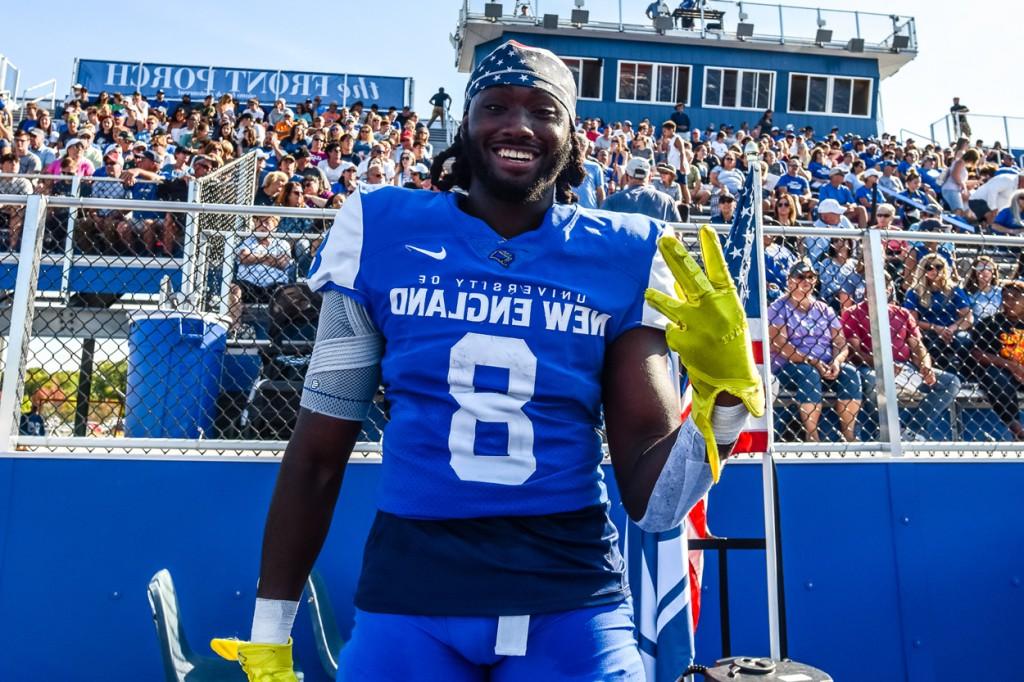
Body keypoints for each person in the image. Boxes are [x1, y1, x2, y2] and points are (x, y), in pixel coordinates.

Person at [211, 40, 763, 681]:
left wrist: (721, 407)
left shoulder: (625, 252)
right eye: (496, 105)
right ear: (466, 123)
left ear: (570, 134)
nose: (518, 125)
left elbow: (658, 506)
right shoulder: (381, 228)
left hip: (569, 598)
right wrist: (270, 633)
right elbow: (316, 451)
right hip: (412, 595)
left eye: (543, 110)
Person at [842, 273, 961, 441]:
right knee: (871, 382)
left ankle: (911, 431)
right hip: (870, 367)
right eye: (870, 287)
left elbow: (918, 346)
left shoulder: (903, 313)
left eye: (880, 287)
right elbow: (854, 352)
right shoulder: (852, 313)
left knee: (951, 382)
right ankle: (885, 431)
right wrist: (882, 365)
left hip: (903, 367)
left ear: (889, 289)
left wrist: (925, 365)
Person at [769, 260, 861, 442]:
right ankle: (812, 435)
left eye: (810, 277)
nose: (806, 281)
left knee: (851, 373)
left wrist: (837, 361)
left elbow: (840, 341)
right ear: (789, 281)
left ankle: (849, 433)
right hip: (792, 365)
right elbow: (779, 344)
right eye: (800, 277)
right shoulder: (777, 308)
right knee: (808, 374)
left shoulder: (824, 308)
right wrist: (813, 361)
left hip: (826, 363)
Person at [902, 253, 973, 374]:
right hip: (927, 330)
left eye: (938, 266)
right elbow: (912, 321)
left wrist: (952, 328)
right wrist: (935, 328)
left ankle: (966, 373)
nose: (934, 270)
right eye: (929, 267)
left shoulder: (954, 290)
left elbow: (968, 317)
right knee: (933, 344)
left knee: (964, 340)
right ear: (922, 270)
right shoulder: (914, 292)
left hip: (953, 329)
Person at [970, 281, 1024, 439]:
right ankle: (1016, 427)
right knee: (995, 377)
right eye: (1006, 298)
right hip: (1003, 372)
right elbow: (977, 354)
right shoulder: (990, 324)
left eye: (1016, 298)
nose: (1010, 302)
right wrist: (1012, 366)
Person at [227, 214, 292, 329]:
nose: (263, 225)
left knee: (285, 293)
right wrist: (270, 258)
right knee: (233, 288)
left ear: (275, 227)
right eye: (259, 222)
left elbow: (282, 262)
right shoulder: (247, 241)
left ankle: (277, 334)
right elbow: (243, 257)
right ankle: (235, 330)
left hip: (275, 287)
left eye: (267, 222)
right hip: (249, 286)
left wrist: (255, 257)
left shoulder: (283, 243)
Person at [601, 157, 681, 222]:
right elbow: (678, 232)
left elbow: (601, 231)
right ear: (650, 177)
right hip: (656, 242)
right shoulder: (667, 201)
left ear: (626, 176)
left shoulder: (611, 201)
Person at [963, 256, 1002, 321]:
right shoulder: (967, 293)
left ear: (993, 272)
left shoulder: (1000, 292)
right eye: (980, 268)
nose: (985, 271)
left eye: (988, 268)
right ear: (975, 272)